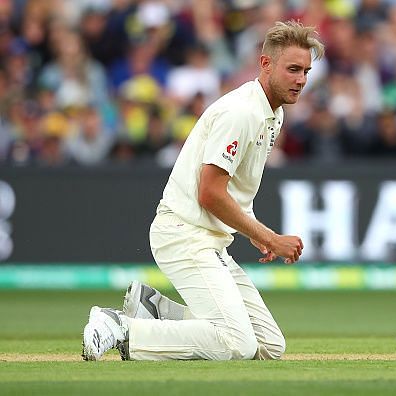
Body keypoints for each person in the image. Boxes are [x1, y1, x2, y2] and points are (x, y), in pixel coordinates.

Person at [81, 20, 325, 361]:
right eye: (293, 69)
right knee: (237, 344)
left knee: (269, 346)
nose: (300, 79)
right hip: (184, 234)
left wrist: (252, 231)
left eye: (306, 71)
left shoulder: (274, 113)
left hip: (212, 241)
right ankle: (121, 327)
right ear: (266, 64)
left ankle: (154, 309)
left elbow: (236, 188)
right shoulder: (241, 112)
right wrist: (269, 237)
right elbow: (208, 193)